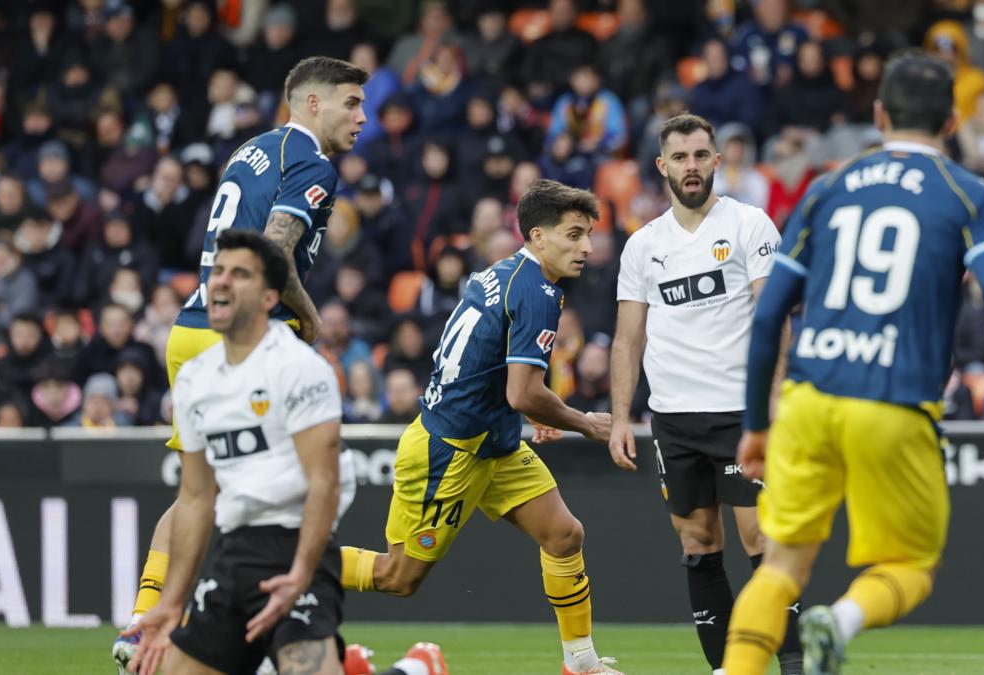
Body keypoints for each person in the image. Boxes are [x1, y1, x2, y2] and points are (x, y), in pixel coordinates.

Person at [722, 53, 984, 675]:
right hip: (894, 401)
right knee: (909, 568)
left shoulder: (826, 187)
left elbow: (769, 314)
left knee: (781, 568)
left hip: (807, 400)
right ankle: (842, 620)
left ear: (878, 114)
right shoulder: (970, 192)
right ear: (952, 121)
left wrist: (755, 423)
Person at [114, 55, 369, 672]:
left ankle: (144, 620)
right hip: (248, 337)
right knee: (286, 490)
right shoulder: (311, 160)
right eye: (350, 103)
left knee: (201, 489)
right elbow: (275, 248)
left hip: (192, 329)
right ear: (311, 103)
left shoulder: (254, 150)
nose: (362, 118)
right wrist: (305, 316)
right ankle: (307, 616)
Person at [338, 180, 623, 675]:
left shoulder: (503, 272)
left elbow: (494, 364)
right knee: (397, 577)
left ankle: (581, 663)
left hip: (492, 441)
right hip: (449, 450)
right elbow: (521, 391)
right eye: (574, 235)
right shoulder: (536, 290)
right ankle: (289, 566)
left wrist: (529, 408)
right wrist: (583, 423)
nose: (587, 248)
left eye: (588, 235)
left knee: (563, 534)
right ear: (537, 235)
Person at [608, 112, 803, 675]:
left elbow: (774, 318)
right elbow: (628, 337)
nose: (691, 167)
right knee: (698, 544)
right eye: (680, 157)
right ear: (661, 166)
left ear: (717, 161)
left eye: (701, 155)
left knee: (761, 536)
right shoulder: (644, 245)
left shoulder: (750, 225)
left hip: (742, 412)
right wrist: (621, 417)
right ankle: (725, 669)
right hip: (673, 419)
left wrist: (775, 397)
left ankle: (791, 662)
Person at [125, 230, 356, 675]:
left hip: (294, 545)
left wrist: (302, 573)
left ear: (271, 297)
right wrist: (171, 604)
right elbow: (195, 498)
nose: (222, 281)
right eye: (218, 271)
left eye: (240, 274)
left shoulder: (299, 368)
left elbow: (323, 484)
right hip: (233, 551)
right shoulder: (194, 379)